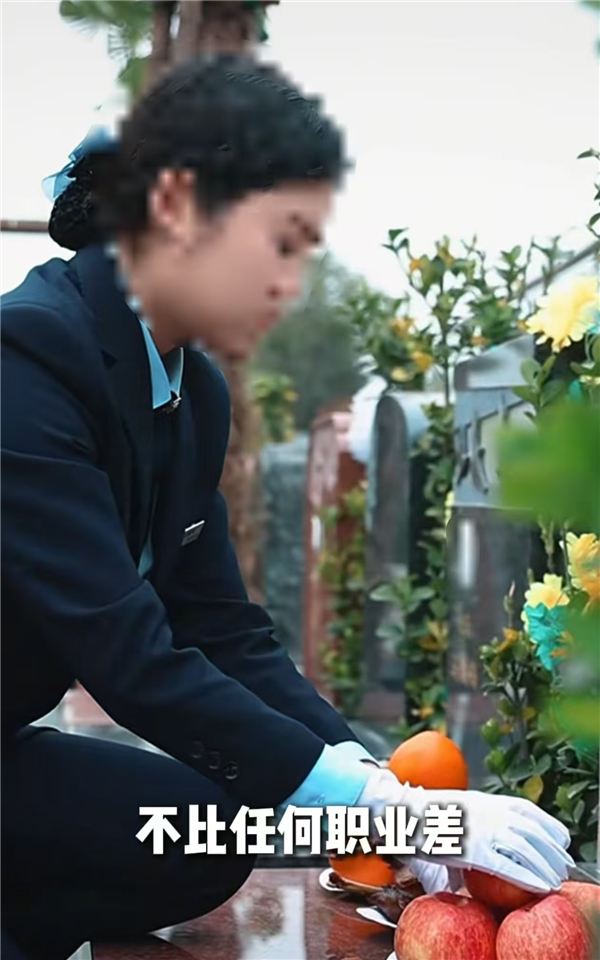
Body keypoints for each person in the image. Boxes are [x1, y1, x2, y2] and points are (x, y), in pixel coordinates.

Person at [0, 54, 573, 960]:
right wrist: (388, 809)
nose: (292, 279)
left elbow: (223, 628)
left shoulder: (191, 394)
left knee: (201, 834)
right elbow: (127, 655)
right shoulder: (24, 363)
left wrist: (381, 792)